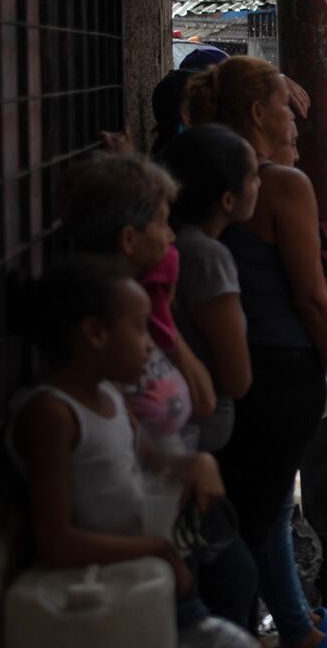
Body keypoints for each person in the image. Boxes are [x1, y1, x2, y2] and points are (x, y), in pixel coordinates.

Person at [185, 56, 327, 648]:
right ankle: (282, 640)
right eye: (284, 107)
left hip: (225, 368)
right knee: (258, 517)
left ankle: (294, 624)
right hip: (279, 375)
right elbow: (314, 302)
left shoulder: (191, 170)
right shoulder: (282, 187)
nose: (297, 118)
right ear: (256, 115)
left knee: (263, 510)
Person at [8, 257, 273, 648]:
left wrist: (198, 462)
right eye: (139, 327)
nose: (149, 344)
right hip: (108, 588)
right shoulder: (52, 415)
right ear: (94, 333)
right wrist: (158, 549)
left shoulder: (110, 395)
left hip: (143, 572)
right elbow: (54, 541)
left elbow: (152, 461)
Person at [58, 153, 215, 450]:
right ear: (129, 240)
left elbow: (204, 401)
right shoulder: (106, 333)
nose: (170, 237)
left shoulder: (144, 309)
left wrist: (162, 316)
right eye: (163, 223)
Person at [160, 125, 261, 456]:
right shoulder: (206, 257)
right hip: (199, 441)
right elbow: (237, 379)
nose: (260, 184)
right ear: (228, 199)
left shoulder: (183, 244)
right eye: (253, 178)